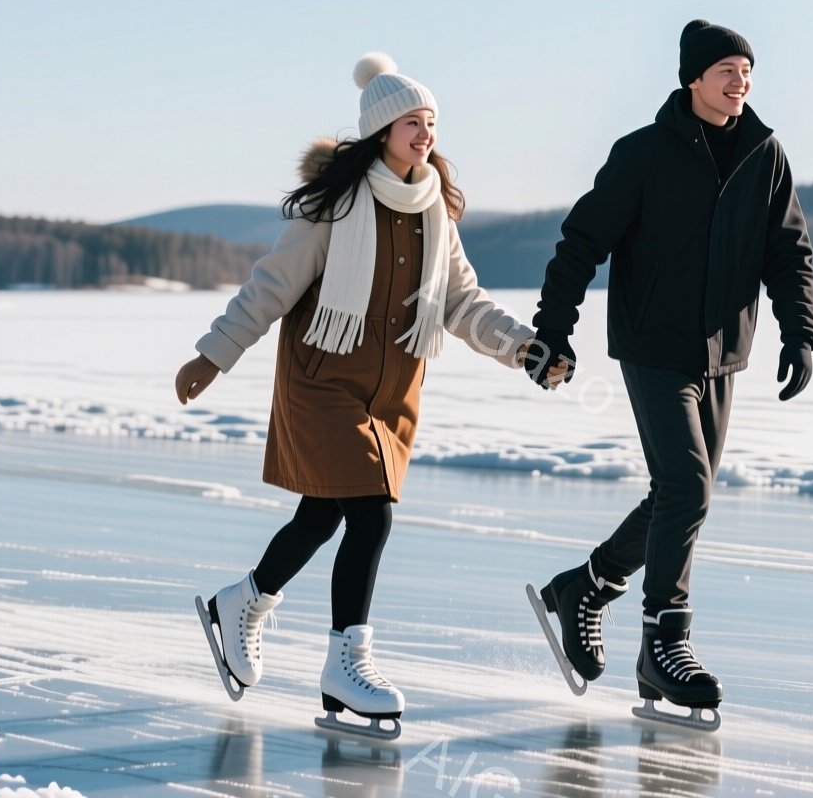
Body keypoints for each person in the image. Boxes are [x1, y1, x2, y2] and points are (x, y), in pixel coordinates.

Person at [177, 53, 566, 739]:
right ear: (382, 129)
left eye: (432, 123)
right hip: (323, 382)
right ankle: (346, 664)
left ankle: (242, 601)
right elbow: (272, 284)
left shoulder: (435, 211)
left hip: (392, 393)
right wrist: (214, 353)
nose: (426, 135)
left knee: (322, 516)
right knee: (371, 513)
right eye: (413, 122)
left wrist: (523, 348)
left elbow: (459, 301)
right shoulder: (334, 208)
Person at [523, 20, 813, 728]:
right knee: (687, 486)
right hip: (654, 346)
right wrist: (552, 330)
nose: (740, 81)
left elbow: (789, 252)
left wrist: (800, 331)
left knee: (680, 495)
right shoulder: (644, 155)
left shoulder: (763, 154)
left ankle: (584, 587)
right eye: (726, 69)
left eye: (747, 70)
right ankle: (665, 642)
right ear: (693, 78)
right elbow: (581, 242)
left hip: (722, 354)